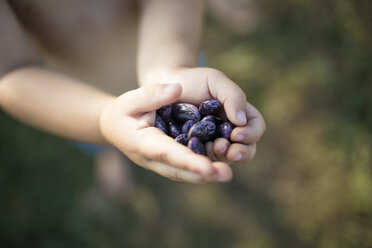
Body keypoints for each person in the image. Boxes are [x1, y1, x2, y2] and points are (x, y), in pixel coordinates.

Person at [0, 0, 265, 184]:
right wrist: (103, 121)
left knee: (132, 128)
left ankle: (111, 143)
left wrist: (170, 66)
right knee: (106, 137)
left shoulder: (178, 85)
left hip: (172, 74)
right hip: (79, 101)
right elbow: (10, 73)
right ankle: (108, 152)